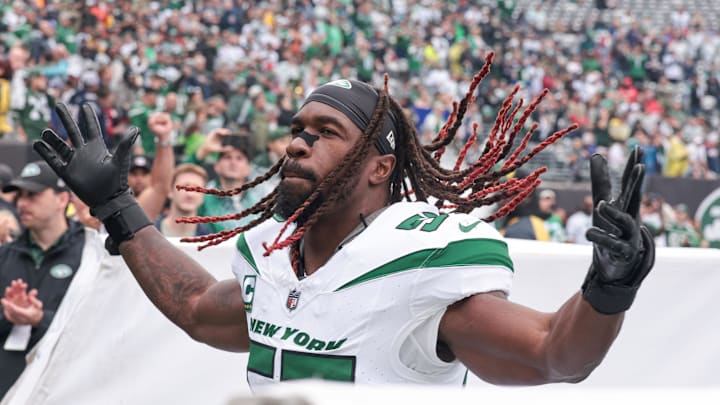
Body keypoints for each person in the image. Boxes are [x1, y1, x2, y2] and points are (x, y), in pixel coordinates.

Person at [34, 70, 654, 388]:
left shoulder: (417, 261)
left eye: (326, 132)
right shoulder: (275, 256)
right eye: (298, 129)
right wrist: (118, 207)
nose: (300, 142)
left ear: (381, 166)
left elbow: (553, 356)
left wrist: (609, 289)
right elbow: (197, 308)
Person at [0, 161, 81, 396]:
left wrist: (41, 319)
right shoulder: (5, 255)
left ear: (62, 200)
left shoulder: (89, 255)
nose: (22, 204)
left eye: (33, 195)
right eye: (20, 195)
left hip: (66, 386)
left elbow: (94, 323)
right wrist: (7, 314)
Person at [156, 164, 213, 238]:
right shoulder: (150, 231)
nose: (190, 194)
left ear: (203, 196)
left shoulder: (208, 238)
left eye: (197, 189)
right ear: (170, 191)